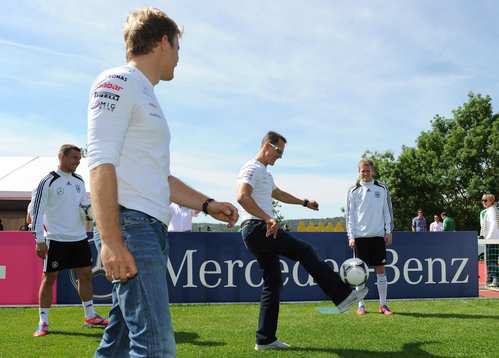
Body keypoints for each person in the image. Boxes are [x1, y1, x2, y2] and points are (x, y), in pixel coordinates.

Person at [87, 8, 238, 357]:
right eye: (179, 48)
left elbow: (160, 177)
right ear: (163, 42)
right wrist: (110, 240)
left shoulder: (146, 94)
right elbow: (99, 162)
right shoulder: (118, 81)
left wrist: (206, 204)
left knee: (118, 344)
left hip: (148, 229)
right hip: (130, 228)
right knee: (156, 348)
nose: (179, 59)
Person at [237, 131, 366, 351]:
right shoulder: (251, 168)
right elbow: (242, 197)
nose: (280, 157)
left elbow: (279, 194)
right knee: (304, 251)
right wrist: (268, 218)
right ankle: (343, 296)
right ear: (268, 146)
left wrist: (304, 202)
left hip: (257, 230)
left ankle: (265, 339)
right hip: (258, 228)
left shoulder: (265, 175)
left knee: (273, 282)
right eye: (279, 152)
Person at [30, 144, 108, 337]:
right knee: (50, 278)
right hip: (56, 239)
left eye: (79, 159)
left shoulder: (79, 181)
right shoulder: (47, 181)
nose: (77, 162)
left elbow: (83, 204)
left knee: (86, 275)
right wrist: (39, 239)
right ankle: (43, 321)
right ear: (61, 157)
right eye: (74, 158)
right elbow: (36, 212)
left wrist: (90, 211)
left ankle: (90, 316)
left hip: (79, 238)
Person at [346, 159, 394, 316]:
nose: (365, 173)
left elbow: (387, 211)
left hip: (378, 236)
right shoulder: (353, 190)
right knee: (359, 274)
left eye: (368, 170)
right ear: (358, 172)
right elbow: (350, 216)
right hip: (360, 237)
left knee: (381, 271)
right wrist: (351, 236)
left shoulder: (382, 188)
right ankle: (361, 305)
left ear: (372, 171)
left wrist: (388, 231)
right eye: (362, 171)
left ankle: (383, 305)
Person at [480, 194, 499, 287]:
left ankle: (495, 279)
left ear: (491, 201)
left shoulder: (491, 210)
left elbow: (494, 225)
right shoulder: (491, 210)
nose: (483, 202)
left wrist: (488, 239)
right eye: (482, 200)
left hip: (492, 239)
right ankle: (494, 279)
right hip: (493, 239)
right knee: (492, 260)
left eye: (485, 200)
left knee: (490, 261)